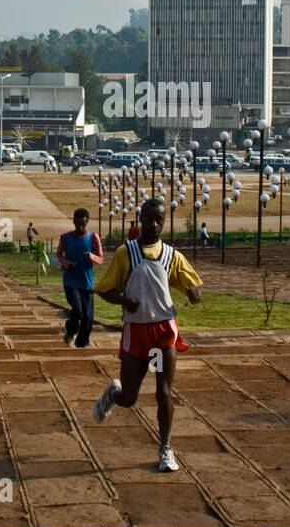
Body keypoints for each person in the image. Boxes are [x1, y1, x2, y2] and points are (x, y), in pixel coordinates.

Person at [92, 198, 203, 473]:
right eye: (149, 219)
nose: (153, 225)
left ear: (164, 223)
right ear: (140, 220)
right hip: (136, 332)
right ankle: (113, 394)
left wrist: (193, 293)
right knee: (130, 398)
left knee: (163, 393)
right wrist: (124, 301)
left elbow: (194, 289)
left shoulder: (172, 256)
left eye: (159, 220)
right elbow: (105, 289)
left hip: (164, 331)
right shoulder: (125, 254)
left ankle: (165, 449)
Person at [58, 208, 104, 347]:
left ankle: (82, 342)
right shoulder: (65, 237)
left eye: (83, 224)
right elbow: (59, 254)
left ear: (87, 222)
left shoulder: (93, 237)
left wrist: (91, 256)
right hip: (71, 281)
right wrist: (66, 263)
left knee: (88, 316)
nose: (80, 227)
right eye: (77, 223)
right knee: (77, 309)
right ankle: (71, 331)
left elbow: (101, 258)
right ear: (73, 221)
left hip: (86, 282)